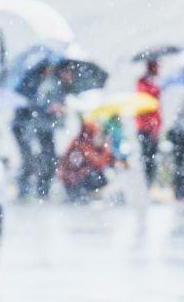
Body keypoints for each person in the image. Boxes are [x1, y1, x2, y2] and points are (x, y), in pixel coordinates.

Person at [15, 62, 72, 200]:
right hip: (41, 128)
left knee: (45, 159)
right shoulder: (50, 84)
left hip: (45, 127)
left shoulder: (56, 85)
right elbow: (40, 102)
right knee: (42, 159)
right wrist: (52, 107)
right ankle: (37, 190)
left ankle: (40, 190)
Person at [57, 119, 115, 202]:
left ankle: (93, 194)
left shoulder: (93, 145)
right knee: (94, 174)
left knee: (99, 174)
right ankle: (87, 195)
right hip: (73, 180)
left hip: (78, 177)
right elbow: (97, 161)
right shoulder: (79, 145)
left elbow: (104, 161)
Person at [135, 59, 163, 187]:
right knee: (147, 158)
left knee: (152, 159)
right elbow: (146, 102)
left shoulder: (153, 83)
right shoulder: (143, 83)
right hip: (145, 127)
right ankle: (144, 185)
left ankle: (149, 185)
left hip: (154, 127)